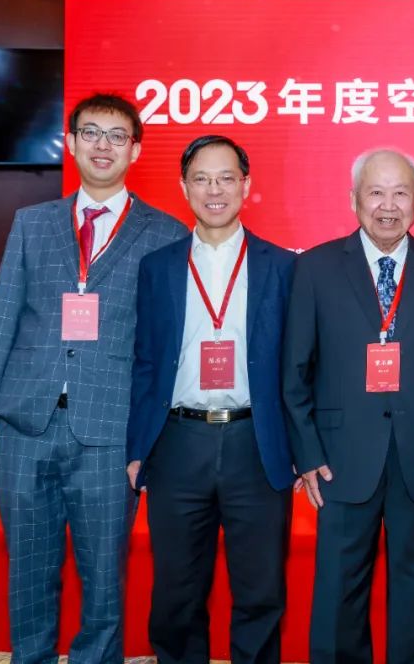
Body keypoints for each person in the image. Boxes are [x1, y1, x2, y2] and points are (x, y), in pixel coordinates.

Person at [0, 92, 186, 663]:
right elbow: (3, 319)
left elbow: (164, 348)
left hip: (111, 431)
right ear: (70, 143)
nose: (102, 146)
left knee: (104, 578)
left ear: (135, 150)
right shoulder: (32, 224)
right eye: (91, 133)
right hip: (25, 425)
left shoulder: (165, 233)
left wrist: (151, 438)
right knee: (29, 571)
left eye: (117, 136)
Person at [281, 148, 414, 664]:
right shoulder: (315, 268)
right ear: (354, 199)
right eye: (376, 192)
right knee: (339, 595)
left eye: (400, 193)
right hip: (339, 458)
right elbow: (294, 372)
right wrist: (306, 454)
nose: (388, 206)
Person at [126, 135, 296, 663]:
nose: (214, 190)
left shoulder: (282, 266)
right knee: (176, 593)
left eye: (226, 178)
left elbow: (298, 367)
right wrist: (138, 447)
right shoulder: (158, 267)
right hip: (178, 442)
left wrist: (299, 448)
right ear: (184, 187)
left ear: (246, 185)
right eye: (201, 179)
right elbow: (145, 361)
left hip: (256, 442)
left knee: (261, 591)